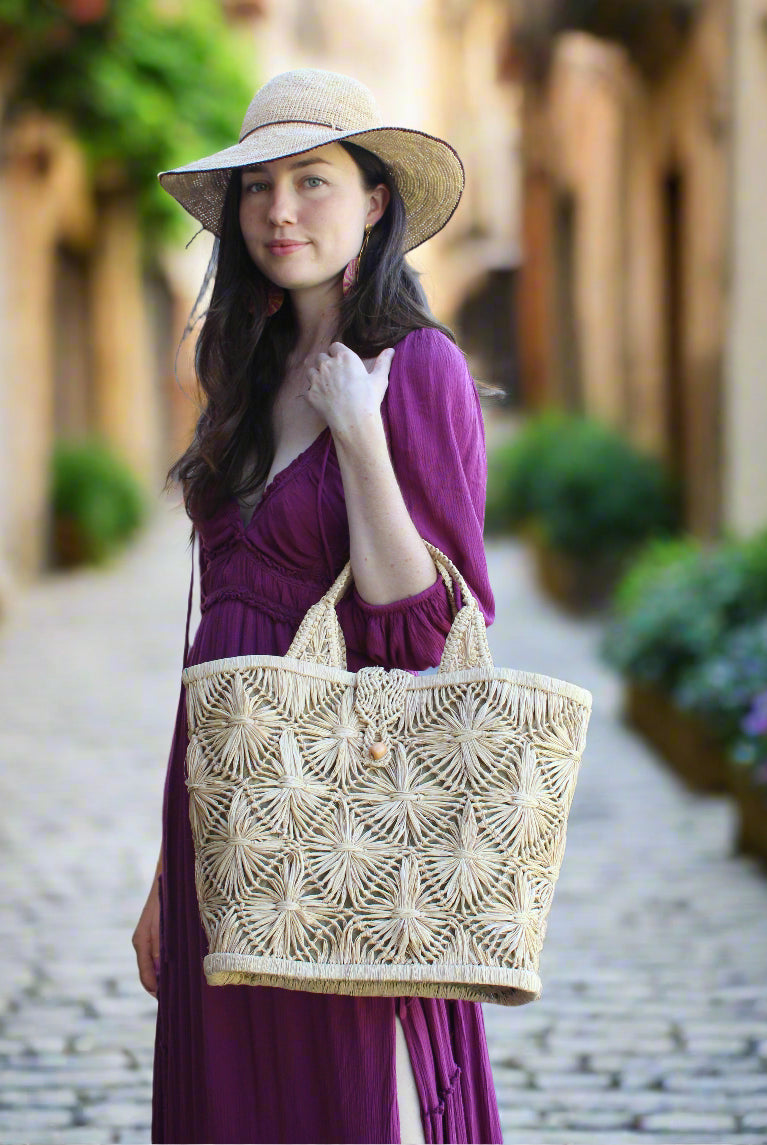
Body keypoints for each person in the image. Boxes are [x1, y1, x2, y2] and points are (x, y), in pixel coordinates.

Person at [132, 67, 503, 1145]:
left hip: (338, 801)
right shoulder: (239, 366)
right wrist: (170, 865)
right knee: (222, 1104)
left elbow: (421, 622)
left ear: (374, 199)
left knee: (325, 1102)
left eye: (313, 180)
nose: (279, 211)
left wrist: (359, 430)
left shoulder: (415, 367)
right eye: (258, 187)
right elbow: (214, 629)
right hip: (220, 789)